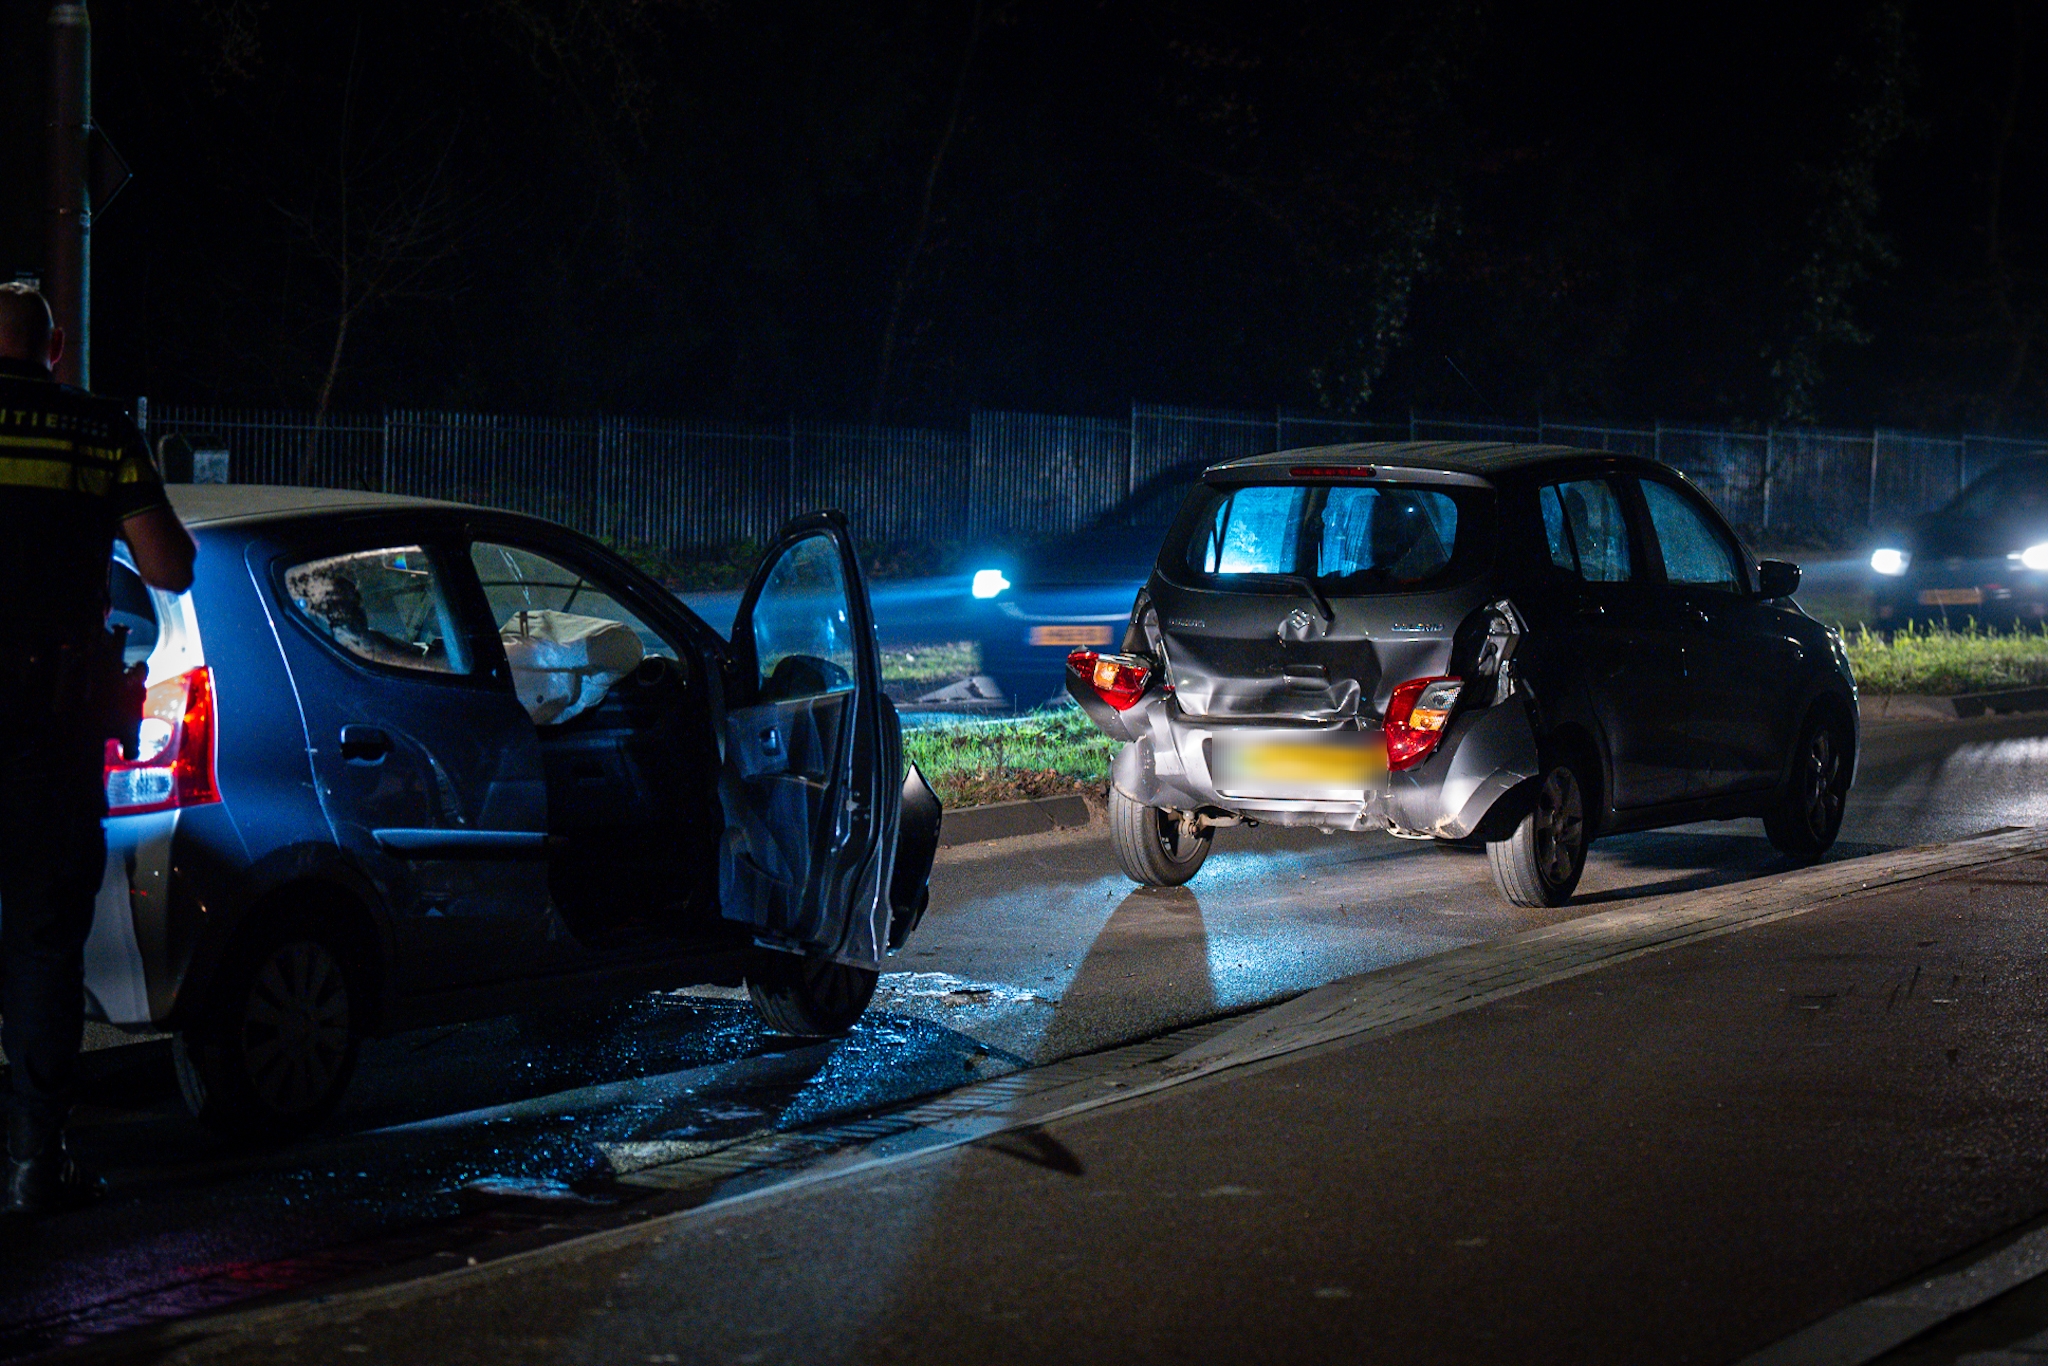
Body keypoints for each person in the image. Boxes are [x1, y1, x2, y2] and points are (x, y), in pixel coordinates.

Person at [0, 282, 195, 1216]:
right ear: (55, 348)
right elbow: (168, 567)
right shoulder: (98, 428)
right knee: (44, 944)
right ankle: (33, 1165)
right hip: (50, 725)